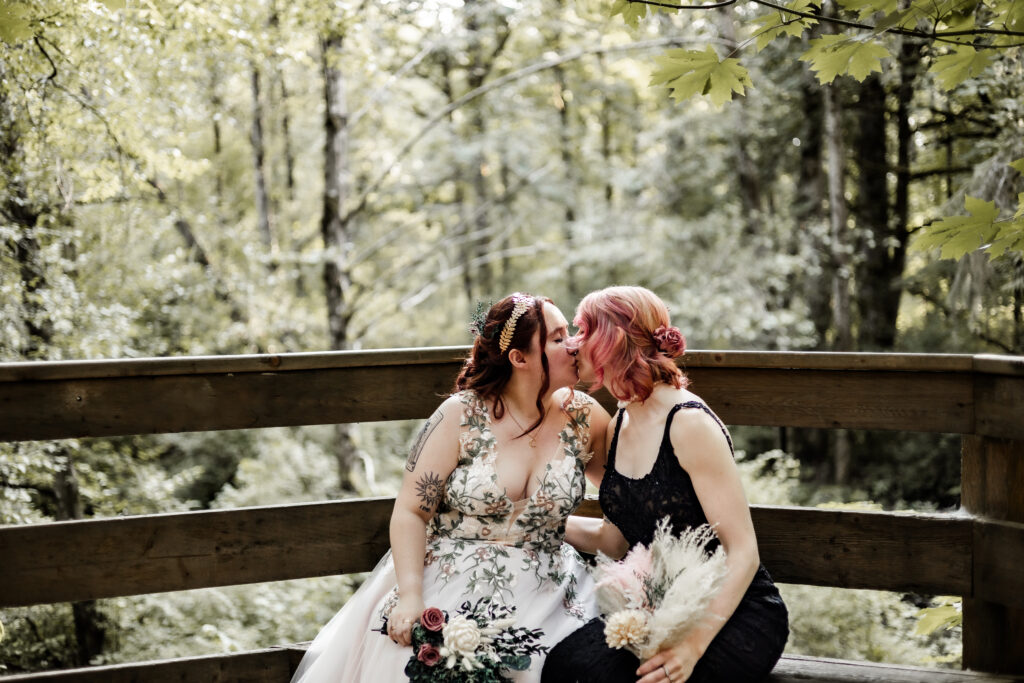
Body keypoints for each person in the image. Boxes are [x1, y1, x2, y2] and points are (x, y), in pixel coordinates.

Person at [291, 293, 611, 683]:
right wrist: (410, 595)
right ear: (519, 358)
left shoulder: (586, 418)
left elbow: (625, 499)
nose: (575, 344)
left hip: (552, 591)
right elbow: (411, 511)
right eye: (559, 338)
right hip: (451, 581)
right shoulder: (459, 415)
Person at [542, 286, 788, 683]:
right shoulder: (621, 419)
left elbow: (742, 552)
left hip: (733, 612)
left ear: (612, 341)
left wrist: (692, 646)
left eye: (583, 332)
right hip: (657, 603)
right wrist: (536, 522)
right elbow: (615, 541)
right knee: (565, 666)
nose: (573, 344)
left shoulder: (688, 423)